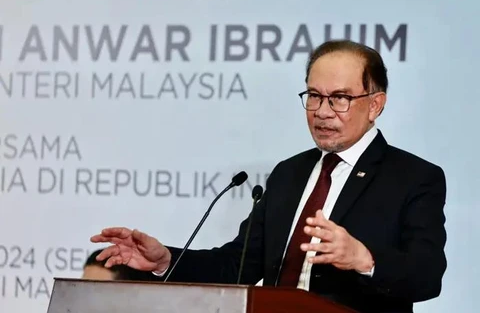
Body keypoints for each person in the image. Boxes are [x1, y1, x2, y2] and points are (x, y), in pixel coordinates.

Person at [90, 40, 447, 313]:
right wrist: (166, 260)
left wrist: (363, 259)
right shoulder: (289, 173)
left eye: (339, 98)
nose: (322, 112)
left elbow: (427, 276)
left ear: (375, 105)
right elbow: (237, 265)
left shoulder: (414, 178)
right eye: (314, 96)